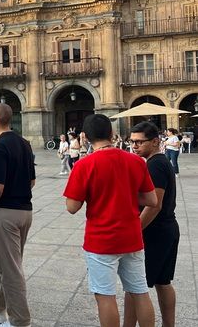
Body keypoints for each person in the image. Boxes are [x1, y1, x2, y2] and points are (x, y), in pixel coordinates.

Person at [63, 114, 157, 327]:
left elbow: (72, 207)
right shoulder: (135, 161)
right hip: (132, 237)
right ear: (112, 134)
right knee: (140, 292)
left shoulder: (84, 165)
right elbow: (151, 199)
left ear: (85, 137)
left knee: (105, 296)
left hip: (101, 240)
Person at [0, 103, 35, 327]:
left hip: (5, 213)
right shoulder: (24, 143)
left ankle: (19, 321)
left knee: (11, 269)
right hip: (25, 211)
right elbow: (32, 180)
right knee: (9, 264)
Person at [125, 122, 180, 327]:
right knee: (163, 282)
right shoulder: (161, 161)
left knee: (134, 286)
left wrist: (135, 230)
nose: (134, 146)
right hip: (167, 229)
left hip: (155, 231)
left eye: (139, 142)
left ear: (155, 141)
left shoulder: (154, 164)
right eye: (132, 141)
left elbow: (154, 205)